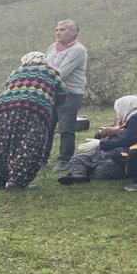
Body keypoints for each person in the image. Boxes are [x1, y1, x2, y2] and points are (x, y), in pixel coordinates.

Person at [0, 52, 68, 190]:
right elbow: (63, 95)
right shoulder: (51, 72)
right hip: (33, 108)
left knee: (1, 144)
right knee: (28, 144)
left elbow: (9, 85)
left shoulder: (17, 71)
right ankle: (17, 181)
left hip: (2, 108)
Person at [57, 94, 137, 185]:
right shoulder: (123, 119)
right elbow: (103, 136)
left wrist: (115, 132)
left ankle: (86, 172)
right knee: (78, 158)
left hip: (120, 154)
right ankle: (79, 175)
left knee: (104, 168)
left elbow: (128, 140)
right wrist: (102, 133)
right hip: (103, 151)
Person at [44, 19, 89, 172]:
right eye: (57, 29)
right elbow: (43, 65)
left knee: (66, 128)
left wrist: (44, 74)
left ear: (74, 32)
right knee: (46, 127)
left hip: (70, 93)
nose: (58, 32)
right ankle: (42, 157)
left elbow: (61, 74)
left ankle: (65, 160)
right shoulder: (52, 47)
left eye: (62, 30)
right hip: (52, 92)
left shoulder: (78, 50)